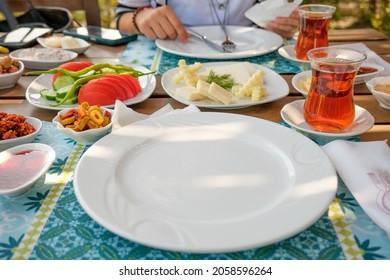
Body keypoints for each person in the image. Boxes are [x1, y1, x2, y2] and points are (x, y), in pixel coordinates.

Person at [116, 0, 300, 42]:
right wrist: (140, 17)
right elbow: (122, 17)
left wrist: (280, 24)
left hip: (253, 52)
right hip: (171, 53)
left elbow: (272, 12)